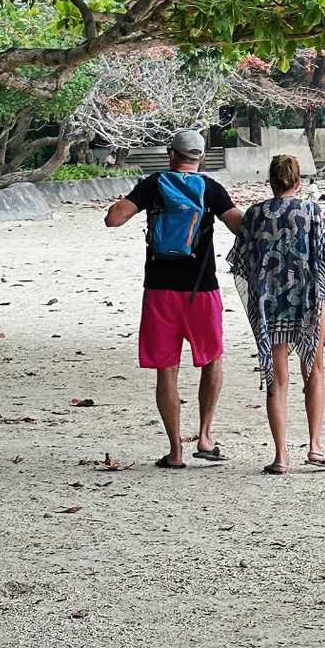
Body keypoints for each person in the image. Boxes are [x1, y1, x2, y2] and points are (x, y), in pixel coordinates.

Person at [104, 128, 244, 469]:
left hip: (160, 289)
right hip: (202, 288)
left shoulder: (154, 184)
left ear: (171, 154)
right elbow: (240, 227)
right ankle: (206, 435)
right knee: (212, 359)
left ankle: (176, 450)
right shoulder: (211, 188)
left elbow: (113, 219)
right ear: (202, 158)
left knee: (166, 369)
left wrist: (124, 202)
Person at [228, 153, 325, 475]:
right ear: (298, 181)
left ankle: (281, 456)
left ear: (271, 181)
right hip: (307, 300)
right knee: (313, 371)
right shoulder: (312, 211)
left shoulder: (255, 214)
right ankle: (315, 447)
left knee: (277, 379)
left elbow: (242, 260)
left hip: (270, 304)